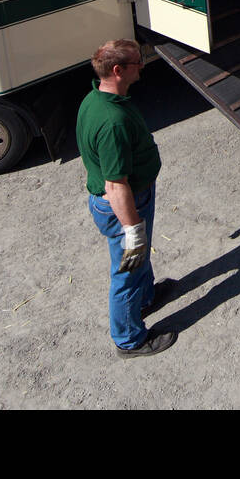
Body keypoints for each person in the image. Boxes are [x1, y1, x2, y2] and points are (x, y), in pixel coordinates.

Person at [77, 39, 178, 358]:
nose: (143, 65)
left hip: (134, 199)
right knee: (127, 271)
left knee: (137, 264)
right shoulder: (112, 122)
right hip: (125, 206)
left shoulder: (97, 99)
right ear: (118, 70)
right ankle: (129, 340)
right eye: (138, 62)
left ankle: (146, 298)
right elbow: (115, 185)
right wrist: (132, 229)